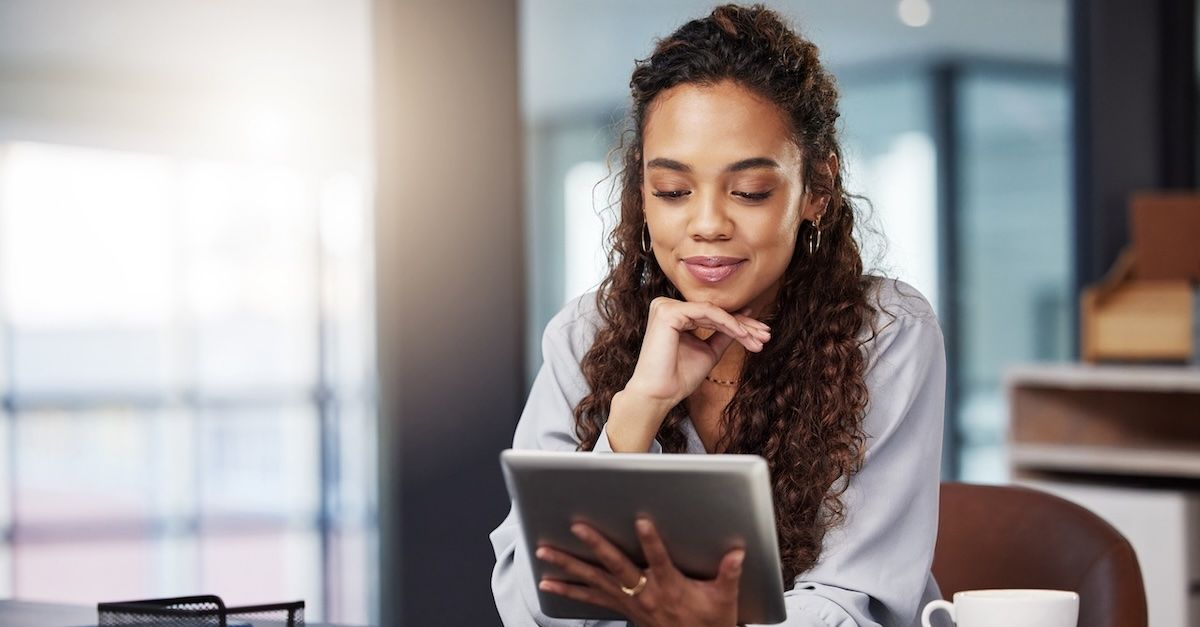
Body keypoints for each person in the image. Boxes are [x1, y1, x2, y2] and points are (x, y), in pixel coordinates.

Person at [491, 4, 946, 626]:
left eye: (750, 191)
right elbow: (532, 608)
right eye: (673, 191)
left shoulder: (885, 334)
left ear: (817, 189)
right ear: (641, 196)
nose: (706, 224)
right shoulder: (585, 335)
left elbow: (858, 601)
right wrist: (634, 417)